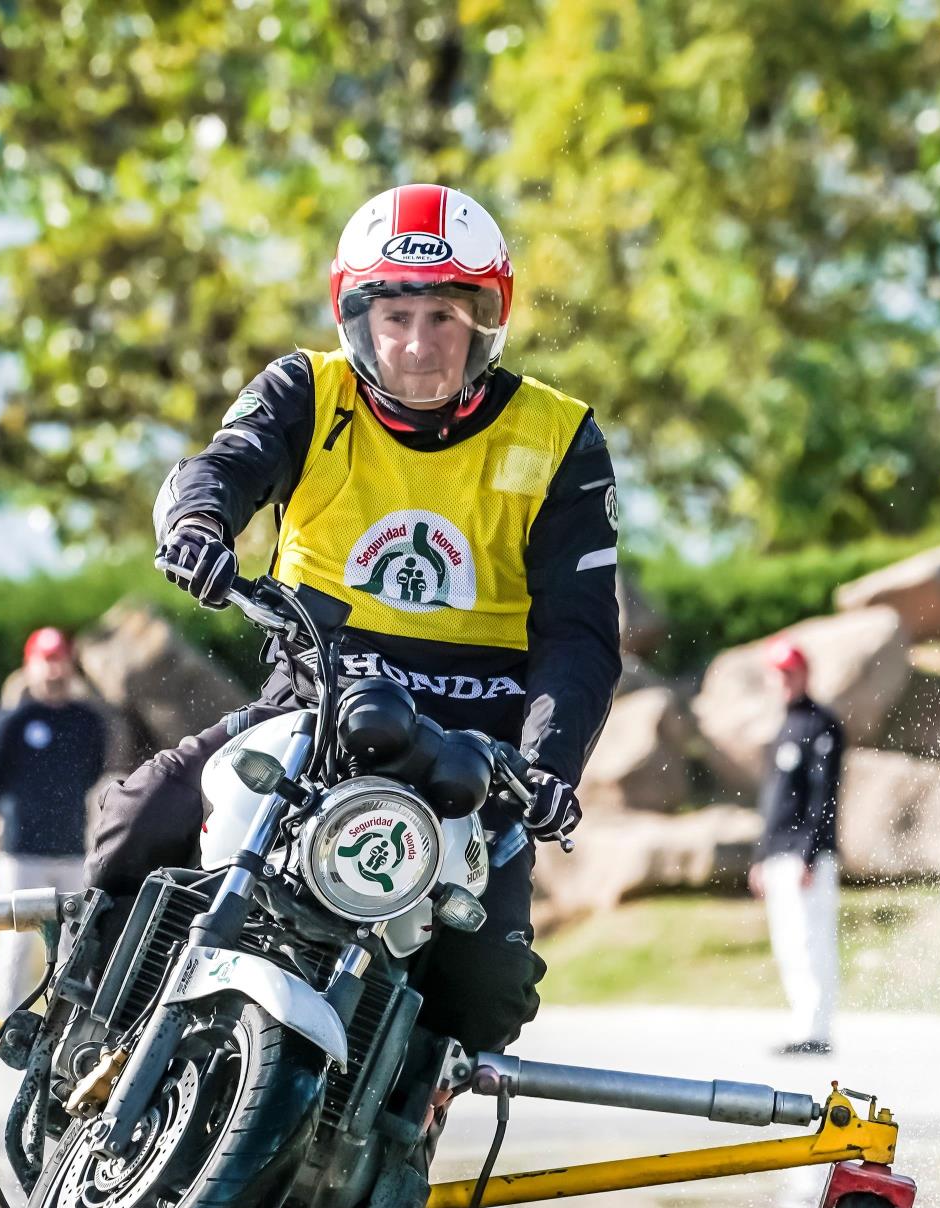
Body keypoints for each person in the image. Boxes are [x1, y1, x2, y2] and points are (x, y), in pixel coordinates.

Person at [83, 183, 620, 1052]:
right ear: (357, 316)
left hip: (474, 754)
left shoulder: (562, 437)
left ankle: (414, 1104)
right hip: (311, 707)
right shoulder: (306, 387)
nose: (417, 345)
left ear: (487, 321)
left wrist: (549, 766)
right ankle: (89, 1032)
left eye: (444, 317)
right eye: (396, 316)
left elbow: (580, 635)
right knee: (135, 817)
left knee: (488, 991)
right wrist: (200, 525)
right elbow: (224, 466)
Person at [0, 626, 108, 1015]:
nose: (53, 670)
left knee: (74, 942)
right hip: (22, 853)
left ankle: (67, 1024)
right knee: (15, 942)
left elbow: (92, 770)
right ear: (30, 665)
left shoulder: (87, 721)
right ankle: (3, 1022)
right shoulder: (13, 720)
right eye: (46, 661)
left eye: (60, 660)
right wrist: (17, 813)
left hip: (70, 849)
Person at [750, 637, 844, 1056]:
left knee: (810, 939)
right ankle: (801, 1023)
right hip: (778, 853)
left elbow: (824, 797)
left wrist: (809, 853)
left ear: (805, 674)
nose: (784, 680)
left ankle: (816, 1030)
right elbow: (773, 803)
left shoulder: (822, 725)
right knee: (788, 941)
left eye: (790, 672)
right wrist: (760, 857)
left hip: (807, 855)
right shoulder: (783, 727)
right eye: (779, 674)